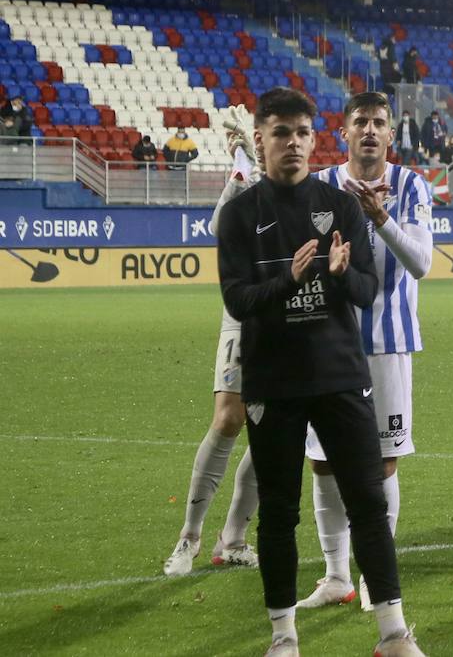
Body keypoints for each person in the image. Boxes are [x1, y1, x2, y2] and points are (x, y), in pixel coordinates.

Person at [216, 87, 424, 656]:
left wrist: (335, 274)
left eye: (302, 132)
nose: (293, 143)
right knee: (280, 513)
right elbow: (238, 300)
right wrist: (290, 279)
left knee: (369, 504)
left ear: (314, 138)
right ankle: (284, 637)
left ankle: (393, 634)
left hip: (339, 377)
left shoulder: (342, 207)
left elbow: (366, 288)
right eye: (281, 132)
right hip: (275, 384)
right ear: (259, 140)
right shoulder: (238, 214)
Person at [297, 91, 434, 614]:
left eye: (380, 122)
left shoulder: (410, 186)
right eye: (362, 122)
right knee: (324, 462)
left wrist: (380, 219)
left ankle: (377, 574)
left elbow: (421, 263)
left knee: (382, 464)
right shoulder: (320, 187)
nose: (371, 130)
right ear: (344, 133)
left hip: (388, 344)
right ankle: (336, 576)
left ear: (391, 135)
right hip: (328, 344)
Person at [163, 108, 261, 578]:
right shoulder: (246, 180)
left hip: (288, 317)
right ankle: (189, 536)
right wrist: (242, 171)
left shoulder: (306, 186)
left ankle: (234, 540)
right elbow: (220, 226)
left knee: (271, 431)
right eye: (267, 135)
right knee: (228, 418)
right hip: (244, 313)